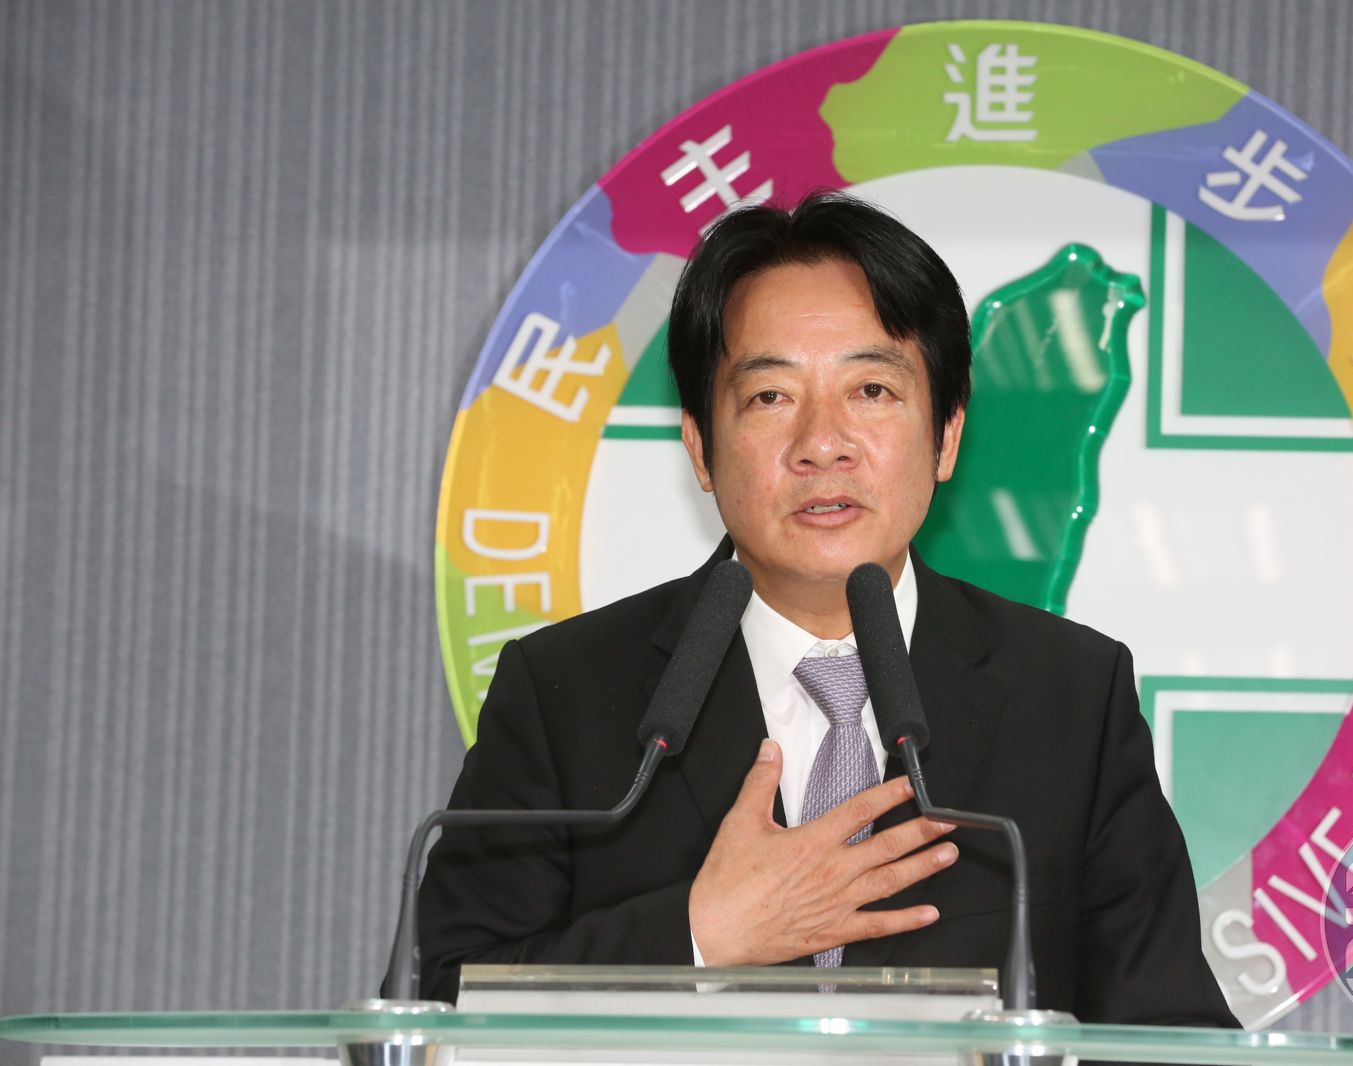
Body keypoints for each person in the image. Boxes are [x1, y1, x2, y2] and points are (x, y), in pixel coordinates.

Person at [416, 192, 1237, 1027]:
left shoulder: (1070, 696)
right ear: (700, 446)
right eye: (771, 397)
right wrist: (701, 936)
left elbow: (1172, 1034)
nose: (822, 444)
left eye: (872, 390)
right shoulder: (565, 691)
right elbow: (443, 1004)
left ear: (947, 435)